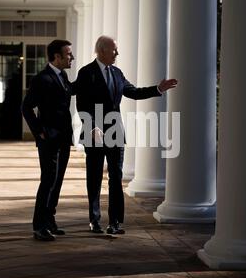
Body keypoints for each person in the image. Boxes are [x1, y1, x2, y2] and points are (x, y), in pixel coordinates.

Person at [75, 36, 178, 235]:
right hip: (93, 132)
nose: (118, 54)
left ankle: (115, 222)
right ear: (102, 51)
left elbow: (134, 92)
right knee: (94, 177)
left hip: (115, 132)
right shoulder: (86, 73)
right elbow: (82, 104)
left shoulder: (117, 72)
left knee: (116, 177)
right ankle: (94, 220)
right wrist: (92, 127)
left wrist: (158, 89)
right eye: (115, 50)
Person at [21, 40, 75, 241]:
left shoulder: (63, 76)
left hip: (63, 138)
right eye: (68, 54)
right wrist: (39, 132)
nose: (72, 57)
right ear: (57, 57)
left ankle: (50, 220)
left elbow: (67, 94)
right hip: (49, 139)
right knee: (48, 181)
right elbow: (26, 107)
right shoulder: (41, 79)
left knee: (58, 181)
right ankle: (39, 226)